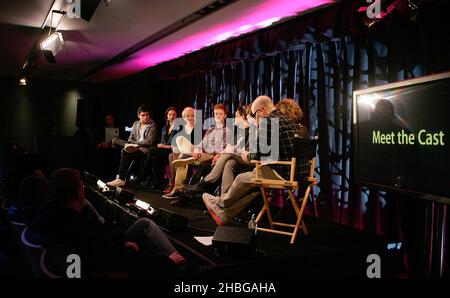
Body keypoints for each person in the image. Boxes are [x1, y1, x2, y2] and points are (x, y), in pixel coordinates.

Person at [31, 168, 186, 277]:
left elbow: (103, 243)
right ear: (77, 191)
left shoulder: (54, 213)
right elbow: (113, 258)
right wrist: (166, 262)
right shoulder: (78, 227)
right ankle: (183, 267)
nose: (83, 189)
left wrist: (122, 241)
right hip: (111, 264)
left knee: (144, 223)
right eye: (81, 186)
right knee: (147, 227)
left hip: (106, 250)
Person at [202, 95, 309, 225]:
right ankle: (224, 214)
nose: (254, 118)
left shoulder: (268, 121)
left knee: (242, 178)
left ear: (261, 111)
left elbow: (258, 155)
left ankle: (219, 202)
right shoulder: (292, 122)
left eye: (254, 114)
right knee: (253, 185)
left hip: (284, 173)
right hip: (301, 175)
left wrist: (247, 155)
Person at [162, 104, 232, 200]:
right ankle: (178, 188)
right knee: (181, 147)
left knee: (183, 156)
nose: (218, 116)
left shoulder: (227, 131)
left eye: (220, 114)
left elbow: (226, 149)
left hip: (213, 156)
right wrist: (196, 151)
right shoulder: (211, 129)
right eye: (216, 114)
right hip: (201, 154)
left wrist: (215, 153)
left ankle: (177, 188)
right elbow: (200, 144)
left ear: (225, 116)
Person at [107, 105, 158, 187]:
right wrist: (131, 143)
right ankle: (121, 178)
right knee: (115, 139)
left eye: (147, 115)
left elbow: (149, 142)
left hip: (143, 149)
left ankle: (121, 178)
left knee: (124, 151)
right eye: (143, 115)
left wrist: (135, 143)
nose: (146, 117)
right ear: (138, 115)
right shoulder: (136, 123)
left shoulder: (153, 125)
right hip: (133, 146)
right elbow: (130, 138)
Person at [144, 107, 180, 189]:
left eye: (174, 115)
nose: (172, 116)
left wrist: (164, 146)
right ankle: (159, 183)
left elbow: (176, 145)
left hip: (173, 151)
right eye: (170, 114)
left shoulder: (179, 128)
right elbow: (163, 142)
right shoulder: (164, 128)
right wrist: (163, 145)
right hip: (164, 151)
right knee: (154, 159)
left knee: (152, 150)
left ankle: (145, 171)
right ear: (167, 116)